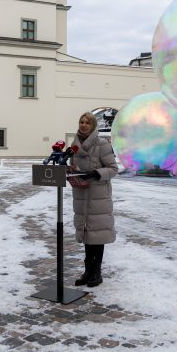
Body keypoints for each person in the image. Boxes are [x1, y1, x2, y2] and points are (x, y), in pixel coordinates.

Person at [68, 111, 118, 287]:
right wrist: (71, 170)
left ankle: (96, 272)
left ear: (93, 126)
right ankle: (87, 271)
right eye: (81, 122)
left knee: (97, 235)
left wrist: (96, 173)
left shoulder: (102, 144)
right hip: (81, 193)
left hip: (98, 195)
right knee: (87, 233)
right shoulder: (74, 144)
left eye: (87, 122)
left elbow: (113, 168)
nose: (83, 125)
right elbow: (73, 164)